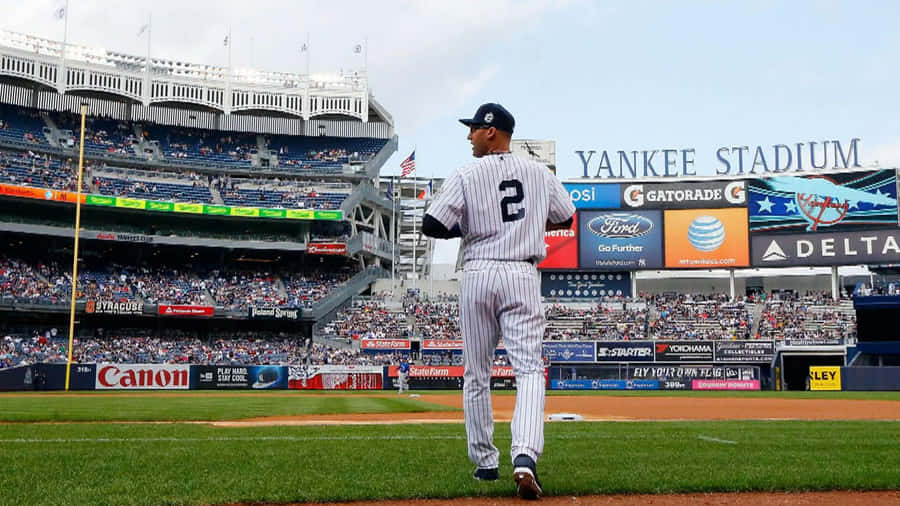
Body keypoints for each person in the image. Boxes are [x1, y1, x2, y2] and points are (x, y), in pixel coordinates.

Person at [423, 103, 575, 500]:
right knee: (528, 370)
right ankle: (524, 457)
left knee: (477, 372)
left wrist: (474, 224)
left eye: (473, 128)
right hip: (522, 273)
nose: (469, 135)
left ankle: (485, 463)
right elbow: (567, 217)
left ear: (491, 131)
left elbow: (431, 224)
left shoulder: (466, 172)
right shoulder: (539, 172)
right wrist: (528, 221)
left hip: (478, 271)